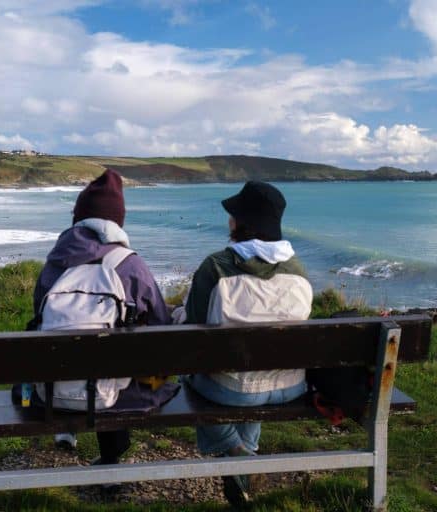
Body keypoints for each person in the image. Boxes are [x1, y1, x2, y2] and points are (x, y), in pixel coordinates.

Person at [27, 168, 171, 471]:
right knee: (123, 366)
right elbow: (162, 325)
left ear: (78, 218)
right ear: (117, 222)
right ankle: (110, 460)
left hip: (49, 393)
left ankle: (67, 429)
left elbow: (39, 316)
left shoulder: (54, 264)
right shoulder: (131, 266)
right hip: (114, 396)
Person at [183, 181, 313, 507]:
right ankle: (247, 455)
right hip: (291, 385)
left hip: (230, 388)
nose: (229, 221)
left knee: (189, 376)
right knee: (259, 366)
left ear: (243, 223)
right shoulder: (299, 272)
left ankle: (237, 452)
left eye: (233, 215)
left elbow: (191, 333)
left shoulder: (216, 267)